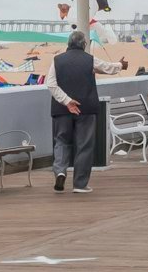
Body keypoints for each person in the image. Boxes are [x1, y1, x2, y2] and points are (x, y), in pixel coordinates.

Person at [47, 30, 122, 194]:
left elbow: (51, 84)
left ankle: (60, 171)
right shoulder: (89, 60)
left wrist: (67, 101)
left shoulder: (56, 60)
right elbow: (107, 68)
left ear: (68, 43)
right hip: (85, 108)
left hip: (61, 109)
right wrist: (121, 65)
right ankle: (80, 184)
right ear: (84, 44)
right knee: (84, 145)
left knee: (61, 142)